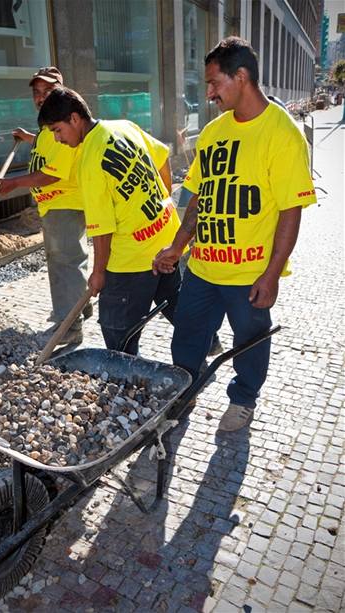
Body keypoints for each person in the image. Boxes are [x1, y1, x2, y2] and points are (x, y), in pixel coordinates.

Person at [153, 37, 316, 431]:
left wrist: (272, 273)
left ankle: (244, 398)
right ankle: (183, 392)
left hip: (250, 273)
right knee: (188, 339)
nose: (208, 93)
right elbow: (199, 197)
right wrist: (177, 246)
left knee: (250, 342)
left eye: (213, 83)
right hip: (204, 268)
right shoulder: (212, 133)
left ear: (240, 77)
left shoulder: (282, 133)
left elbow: (290, 211)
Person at [38, 87, 182, 355]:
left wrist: (99, 273)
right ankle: (201, 351)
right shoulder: (123, 127)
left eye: (58, 130)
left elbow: (102, 229)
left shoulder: (90, 161)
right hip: (167, 239)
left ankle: (130, 380)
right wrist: (164, 201)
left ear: (74, 119)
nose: (57, 139)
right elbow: (162, 158)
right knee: (177, 305)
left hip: (132, 260)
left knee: (117, 328)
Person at [0, 67, 90, 345]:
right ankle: (80, 307)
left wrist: (14, 184)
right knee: (70, 260)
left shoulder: (63, 124)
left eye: (47, 91)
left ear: (61, 91)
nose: (40, 97)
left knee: (64, 264)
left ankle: (69, 326)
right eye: (36, 92)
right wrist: (28, 137)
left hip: (64, 203)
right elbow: (45, 142)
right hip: (54, 205)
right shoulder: (49, 128)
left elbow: (53, 173)